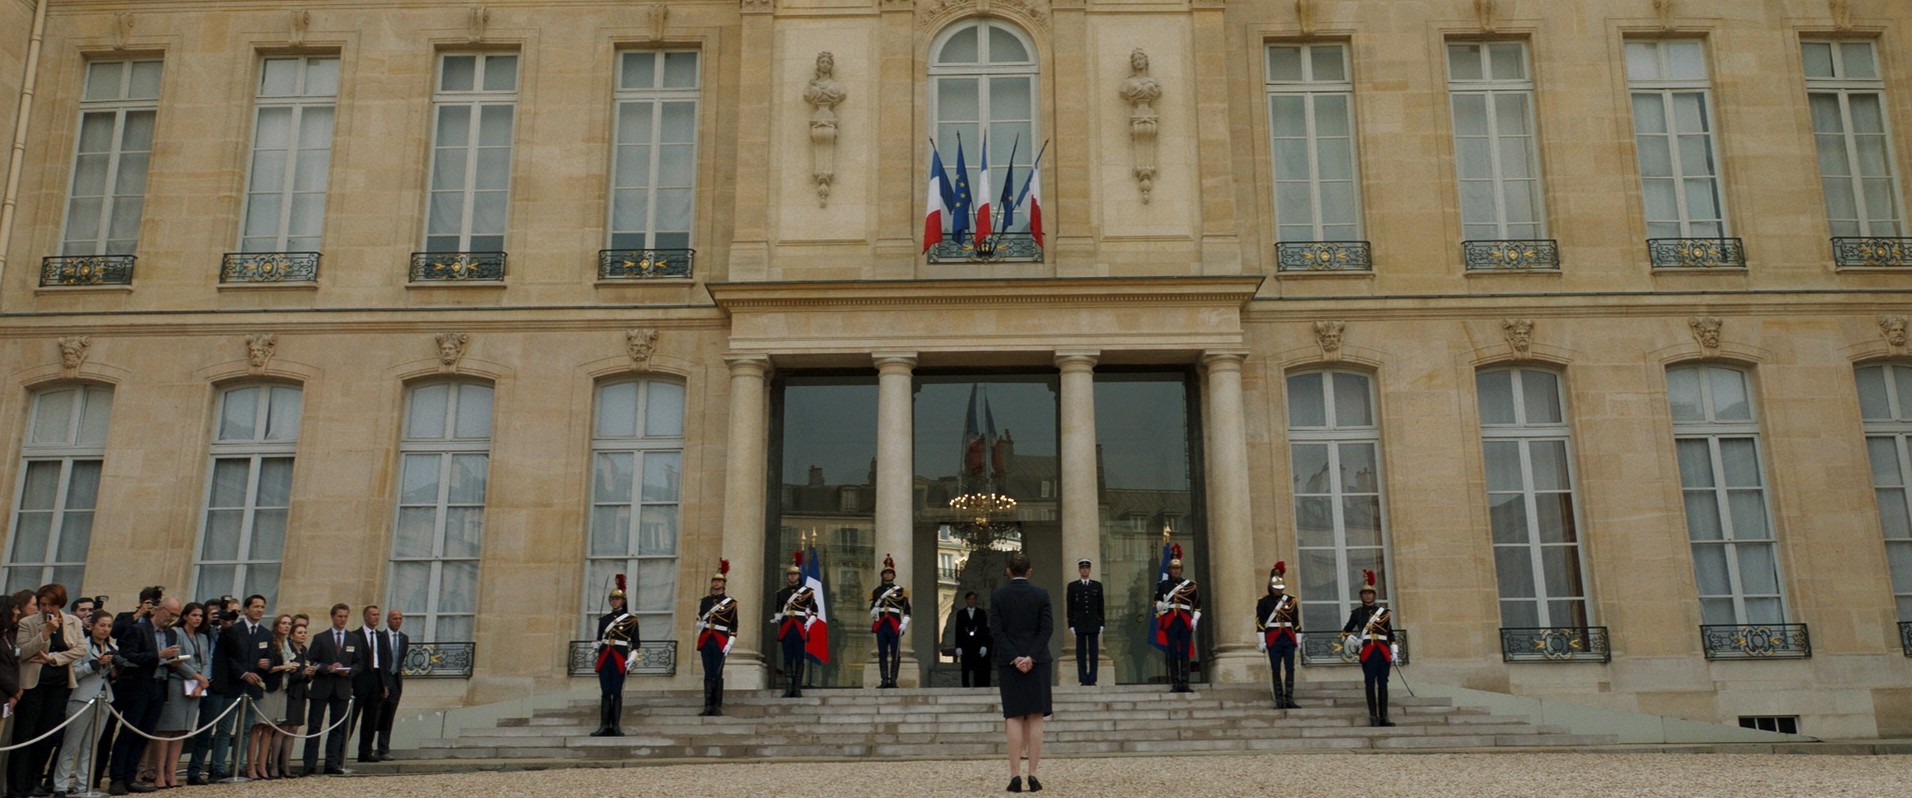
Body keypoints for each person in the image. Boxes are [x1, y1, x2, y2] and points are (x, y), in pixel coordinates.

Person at [11, 584, 86, 798]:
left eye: (50, 605)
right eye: (42, 604)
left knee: (47, 734)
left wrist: (53, 659)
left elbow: (81, 649)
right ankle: (18, 785)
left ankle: (36, 780)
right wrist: (45, 632)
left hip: (59, 684)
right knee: (26, 734)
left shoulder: (72, 622)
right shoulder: (27, 623)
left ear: (59, 604)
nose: (46, 608)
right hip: (33, 684)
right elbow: (24, 651)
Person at [988, 551, 1052, 794]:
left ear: (1008, 571)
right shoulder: (1041, 594)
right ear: (1029, 571)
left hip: (1009, 663)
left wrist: (1015, 657)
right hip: (1038, 662)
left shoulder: (998, 595)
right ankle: (1033, 774)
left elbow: (997, 631)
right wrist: (1031, 656)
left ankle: (1015, 775)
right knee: (1035, 717)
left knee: (1013, 717)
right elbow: (1046, 629)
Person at [107, 596, 179, 795]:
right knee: (128, 733)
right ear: (159, 609)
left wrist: (173, 662)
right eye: (170, 613)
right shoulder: (138, 629)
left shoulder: (171, 634)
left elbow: (166, 661)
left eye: (176, 615)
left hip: (159, 687)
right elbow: (128, 656)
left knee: (144, 735)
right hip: (137, 688)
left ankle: (131, 777)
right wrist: (158, 656)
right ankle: (117, 778)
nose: (172, 618)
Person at [52, 611, 116, 798]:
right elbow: (74, 673)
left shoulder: (113, 647)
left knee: (91, 746)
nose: (105, 629)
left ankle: (83, 785)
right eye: (102, 625)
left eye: (109, 626)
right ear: (92, 626)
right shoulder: (82, 646)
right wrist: (95, 664)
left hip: (104, 697)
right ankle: (60, 785)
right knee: (71, 744)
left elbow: (111, 675)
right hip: (82, 697)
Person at [150, 602, 210, 790]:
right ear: (185, 616)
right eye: (194, 615)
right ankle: (159, 773)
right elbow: (175, 661)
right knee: (166, 729)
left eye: (200, 616)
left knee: (182, 731)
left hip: (197, 686)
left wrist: (202, 682)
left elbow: (207, 661)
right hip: (177, 682)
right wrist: (198, 677)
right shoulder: (176, 633)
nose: (197, 619)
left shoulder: (202, 637)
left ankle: (172, 772)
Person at [302, 604, 362, 776]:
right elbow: (311, 661)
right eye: (339, 616)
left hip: (342, 687)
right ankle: (309, 764)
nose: (342, 620)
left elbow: (359, 663)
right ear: (332, 617)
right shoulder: (321, 638)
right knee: (315, 726)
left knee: (338, 727)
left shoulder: (353, 639)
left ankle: (331, 762)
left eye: (345, 616)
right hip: (322, 686)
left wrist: (349, 671)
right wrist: (327, 667)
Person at [1341, 570, 1396, 727]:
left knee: (1383, 683)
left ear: (1374, 595)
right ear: (1361, 596)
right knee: (1370, 682)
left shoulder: (1384, 613)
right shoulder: (1357, 613)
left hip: (1383, 649)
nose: (1367, 596)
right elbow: (1345, 632)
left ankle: (1384, 716)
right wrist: (1354, 640)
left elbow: (1390, 633)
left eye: (1370, 593)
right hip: (1367, 650)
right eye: (1365, 594)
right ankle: (1373, 716)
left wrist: (1394, 648)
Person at [247, 615, 295, 779]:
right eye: (283, 623)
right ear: (276, 625)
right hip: (267, 686)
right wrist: (284, 667)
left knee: (270, 727)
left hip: (281, 687)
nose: (286, 626)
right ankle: (251, 766)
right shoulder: (269, 641)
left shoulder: (287, 644)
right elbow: (265, 666)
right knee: (258, 726)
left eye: (289, 624)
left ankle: (262, 766)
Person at [590, 576, 637, 737]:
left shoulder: (631, 620)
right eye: (612, 599)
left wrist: (633, 657)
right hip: (605, 657)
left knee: (616, 692)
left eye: (617, 599)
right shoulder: (604, 620)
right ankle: (604, 726)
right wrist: (597, 645)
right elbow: (600, 638)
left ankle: (615, 726)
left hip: (619, 657)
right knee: (605, 692)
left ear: (623, 601)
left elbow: (636, 643)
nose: (615, 602)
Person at [1153, 544, 1200, 693]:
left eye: (1178, 568)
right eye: (1173, 568)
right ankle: (1175, 682)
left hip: (1185, 619)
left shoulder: (1190, 585)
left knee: (1185, 652)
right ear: (1169, 570)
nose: (1176, 570)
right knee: (1172, 652)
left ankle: (1185, 682)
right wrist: (1160, 605)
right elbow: (1156, 601)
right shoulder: (1163, 585)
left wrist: (1195, 619)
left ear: (1181, 569)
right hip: (1170, 620)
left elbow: (1197, 604)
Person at [770, 554, 817, 698]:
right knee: (787, 658)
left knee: (799, 658)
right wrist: (777, 618)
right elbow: (778, 610)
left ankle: (797, 688)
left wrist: (809, 622)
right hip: (786, 627)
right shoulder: (781, 593)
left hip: (800, 626)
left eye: (795, 574)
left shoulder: (807, 592)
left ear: (799, 576)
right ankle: (789, 687)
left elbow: (815, 611)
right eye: (790, 574)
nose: (792, 576)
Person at [1256, 562, 1301, 709]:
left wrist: (1298, 640)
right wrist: (1262, 640)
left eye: (1280, 587)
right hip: (1273, 637)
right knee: (1276, 669)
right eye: (1276, 587)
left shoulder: (1291, 600)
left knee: (1290, 668)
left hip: (1287, 637)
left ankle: (1289, 698)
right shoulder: (1264, 601)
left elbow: (1296, 622)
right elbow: (1260, 622)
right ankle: (1279, 699)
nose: (1278, 590)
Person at [693, 561, 736, 717]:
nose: (716, 583)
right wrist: (700, 625)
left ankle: (716, 705)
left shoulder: (730, 603)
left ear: (724, 584)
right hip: (707, 638)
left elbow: (734, 625)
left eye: (719, 581)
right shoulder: (705, 601)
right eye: (714, 581)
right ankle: (707, 705)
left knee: (717, 672)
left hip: (720, 639)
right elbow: (701, 618)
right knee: (708, 672)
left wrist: (730, 643)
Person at [349, 605, 390, 764]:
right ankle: (340, 752)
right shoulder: (355, 635)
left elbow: (385, 661)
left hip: (376, 678)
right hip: (360, 678)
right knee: (352, 717)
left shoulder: (381, 636)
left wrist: (384, 684)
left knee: (371, 718)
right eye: (373, 614)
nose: (376, 617)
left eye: (378, 614)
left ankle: (365, 751)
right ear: (365, 616)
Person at [274, 616, 312, 779]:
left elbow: (305, 674)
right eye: (299, 632)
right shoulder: (288, 649)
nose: (303, 635)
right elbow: (289, 675)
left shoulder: (304, 651)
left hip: (301, 693)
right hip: (289, 692)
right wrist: (303, 673)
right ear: (292, 635)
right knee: (283, 729)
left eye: (305, 632)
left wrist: (309, 674)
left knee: (293, 730)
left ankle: (286, 766)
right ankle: (274, 766)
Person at [867, 554, 911, 689]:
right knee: (882, 653)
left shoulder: (901, 591)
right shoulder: (877, 591)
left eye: (890, 573)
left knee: (895, 653)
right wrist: (873, 611)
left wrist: (904, 623)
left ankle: (893, 680)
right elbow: (872, 608)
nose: (888, 575)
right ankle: (884, 680)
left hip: (894, 624)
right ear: (882, 576)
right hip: (881, 624)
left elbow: (907, 610)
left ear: (894, 575)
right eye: (885, 573)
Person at [371, 609, 408, 760]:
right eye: (394, 618)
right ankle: (367, 748)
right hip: (382, 680)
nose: (397, 621)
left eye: (400, 618)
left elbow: (400, 660)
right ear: (387, 620)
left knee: (388, 716)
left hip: (395, 680)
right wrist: (383, 683)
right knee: (375, 715)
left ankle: (383, 749)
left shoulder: (404, 638)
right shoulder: (380, 637)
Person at [1065, 557, 1104, 687]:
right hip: (1079, 624)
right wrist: (1071, 624)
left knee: (1093, 653)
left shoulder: (1097, 586)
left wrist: (1102, 623)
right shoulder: (1073, 586)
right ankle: (1083, 678)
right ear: (1079, 570)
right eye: (1082, 568)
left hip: (1093, 623)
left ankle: (1092, 679)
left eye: (1087, 568)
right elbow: (1070, 607)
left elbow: (1100, 606)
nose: (1085, 570)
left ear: (1090, 569)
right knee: (1080, 653)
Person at [953, 591, 991, 688]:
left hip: (977, 645)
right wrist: (958, 646)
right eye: (970, 599)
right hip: (965, 645)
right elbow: (958, 631)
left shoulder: (981, 613)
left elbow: (983, 630)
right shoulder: (961, 614)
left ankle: (977, 688)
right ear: (966, 600)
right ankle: (965, 688)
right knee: (965, 669)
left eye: (973, 599)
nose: (971, 601)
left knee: (978, 669)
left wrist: (984, 645)